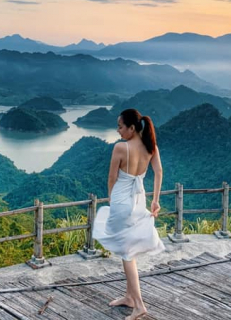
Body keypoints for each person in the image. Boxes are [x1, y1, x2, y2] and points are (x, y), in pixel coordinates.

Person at [92, 108, 166, 320]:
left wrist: (112, 201)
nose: (118, 130)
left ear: (132, 128)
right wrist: (155, 199)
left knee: (126, 253)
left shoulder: (121, 148)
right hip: (139, 200)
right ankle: (129, 297)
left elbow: (111, 179)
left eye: (120, 126)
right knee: (128, 250)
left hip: (122, 202)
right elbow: (159, 172)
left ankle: (140, 305)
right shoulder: (150, 146)